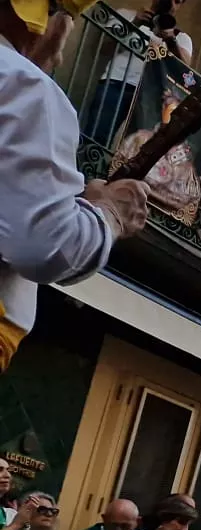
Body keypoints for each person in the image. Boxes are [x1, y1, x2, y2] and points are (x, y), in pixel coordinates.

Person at [0, 0, 149, 372]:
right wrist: (110, 214)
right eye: (65, 19)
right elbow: (47, 247)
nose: (62, 53)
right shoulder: (25, 86)